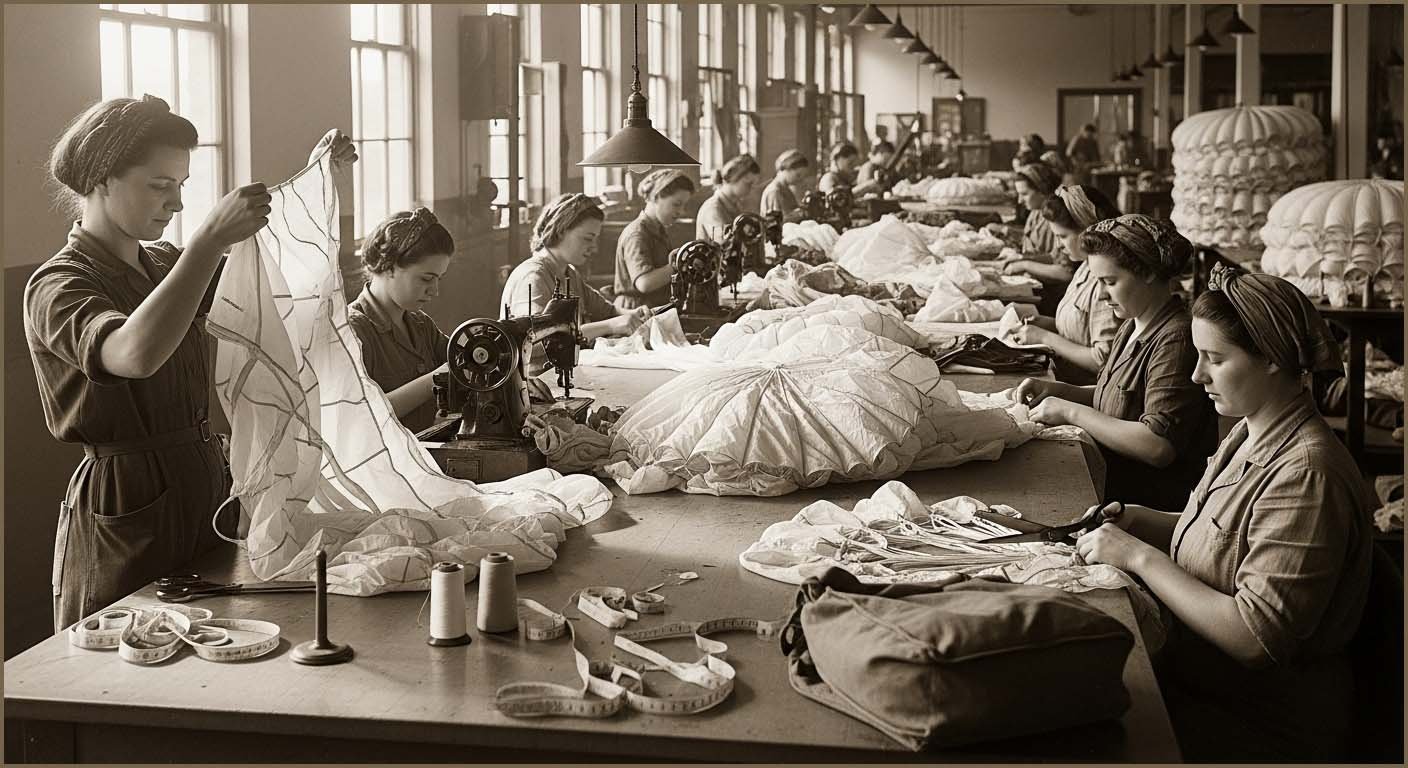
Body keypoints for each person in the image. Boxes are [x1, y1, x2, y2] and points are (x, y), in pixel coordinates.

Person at [26, 95, 356, 630]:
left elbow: (280, 303)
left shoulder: (164, 264)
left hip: (200, 478)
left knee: (210, 638)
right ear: (102, 179)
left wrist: (318, 180)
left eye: (181, 187)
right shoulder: (59, 284)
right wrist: (206, 242)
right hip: (126, 494)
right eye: (160, 186)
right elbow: (133, 354)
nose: (176, 205)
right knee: (125, 656)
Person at [1074, 266, 1373, 762]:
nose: (1197, 376)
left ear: (1273, 360)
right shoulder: (1250, 426)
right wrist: (1140, 519)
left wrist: (1140, 558)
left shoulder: (1307, 475)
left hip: (1259, 719)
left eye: (1215, 359)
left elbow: (1255, 636)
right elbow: (1225, 541)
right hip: (1201, 678)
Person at [1010, 215, 1218, 510]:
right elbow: (1118, 396)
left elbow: (1157, 445)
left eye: (1110, 282)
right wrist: (1060, 391)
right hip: (1111, 486)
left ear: (1146, 273)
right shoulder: (1133, 323)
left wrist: (1071, 411)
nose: (1103, 295)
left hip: (1147, 506)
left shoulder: (1177, 339)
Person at [503, 193, 652, 370]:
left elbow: (608, 311)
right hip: (536, 380)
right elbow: (533, 344)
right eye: (588, 239)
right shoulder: (533, 277)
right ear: (560, 230)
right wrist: (610, 326)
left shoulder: (569, 273)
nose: (594, 247)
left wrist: (635, 314)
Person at [346, 208, 456, 434]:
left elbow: (462, 358)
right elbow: (363, 416)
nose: (434, 291)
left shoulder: (419, 324)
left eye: (438, 279)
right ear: (389, 267)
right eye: (426, 279)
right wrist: (437, 378)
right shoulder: (352, 331)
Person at [1007, 185, 1122, 385]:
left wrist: (1044, 337)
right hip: (1063, 378)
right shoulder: (1085, 268)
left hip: (1083, 390)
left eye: (1062, 236)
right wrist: (1046, 323)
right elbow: (1083, 330)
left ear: (1087, 229)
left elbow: (1102, 360)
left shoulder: (1105, 282)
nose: (1058, 245)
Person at [614, 168, 693, 310]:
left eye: (684, 205)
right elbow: (644, 283)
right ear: (656, 197)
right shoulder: (637, 234)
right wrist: (678, 265)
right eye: (676, 204)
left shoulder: (658, 229)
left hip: (656, 308)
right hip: (638, 311)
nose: (681, 211)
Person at [1003, 163, 1074, 288]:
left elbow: (1065, 270)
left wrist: (1025, 264)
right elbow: (1052, 255)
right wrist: (1022, 259)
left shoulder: (1055, 218)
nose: (1020, 200)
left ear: (1041, 191)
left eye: (1024, 194)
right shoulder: (1035, 212)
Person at [696, 154, 761, 242]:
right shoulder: (712, 209)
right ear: (733, 178)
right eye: (748, 184)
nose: (751, 188)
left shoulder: (736, 205)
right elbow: (726, 244)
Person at [760, 149, 810, 220]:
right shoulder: (774, 191)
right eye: (798, 175)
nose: (800, 179)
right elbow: (773, 223)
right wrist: (798, 214)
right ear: (786, 169)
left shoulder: (786, 189)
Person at [817, 141, 883, 195]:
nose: (854, 166)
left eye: (855, 163)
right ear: (837, 160)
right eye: (850, 163)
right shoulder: (828, 178)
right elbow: (836, 198)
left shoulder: (845, 178)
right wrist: (866, 187)